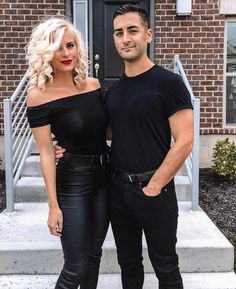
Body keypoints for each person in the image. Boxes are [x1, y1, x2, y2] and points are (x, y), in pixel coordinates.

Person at [55, 4, 194, 289]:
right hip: (118, 191)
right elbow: (99, 132)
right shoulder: (114, 91)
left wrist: (154, 185)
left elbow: (185, 140)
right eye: (119, 32)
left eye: (132, 30)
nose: (125, 38)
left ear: (148, 34)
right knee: (128, 264)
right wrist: (63, 145)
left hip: (155, 189)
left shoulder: (169, 83)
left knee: (166, 266)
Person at [26, 17, 109, 289]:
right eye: (58, 48)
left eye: (70, 46)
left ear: (78, 48)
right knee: (75, 267)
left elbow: (106, 131)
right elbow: (46, 152)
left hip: (104, 177)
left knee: (94, 257)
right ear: (46, 53)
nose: (66, 54)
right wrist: (53, 206)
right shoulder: (38, 96)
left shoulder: (94, 85)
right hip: (73, 182)